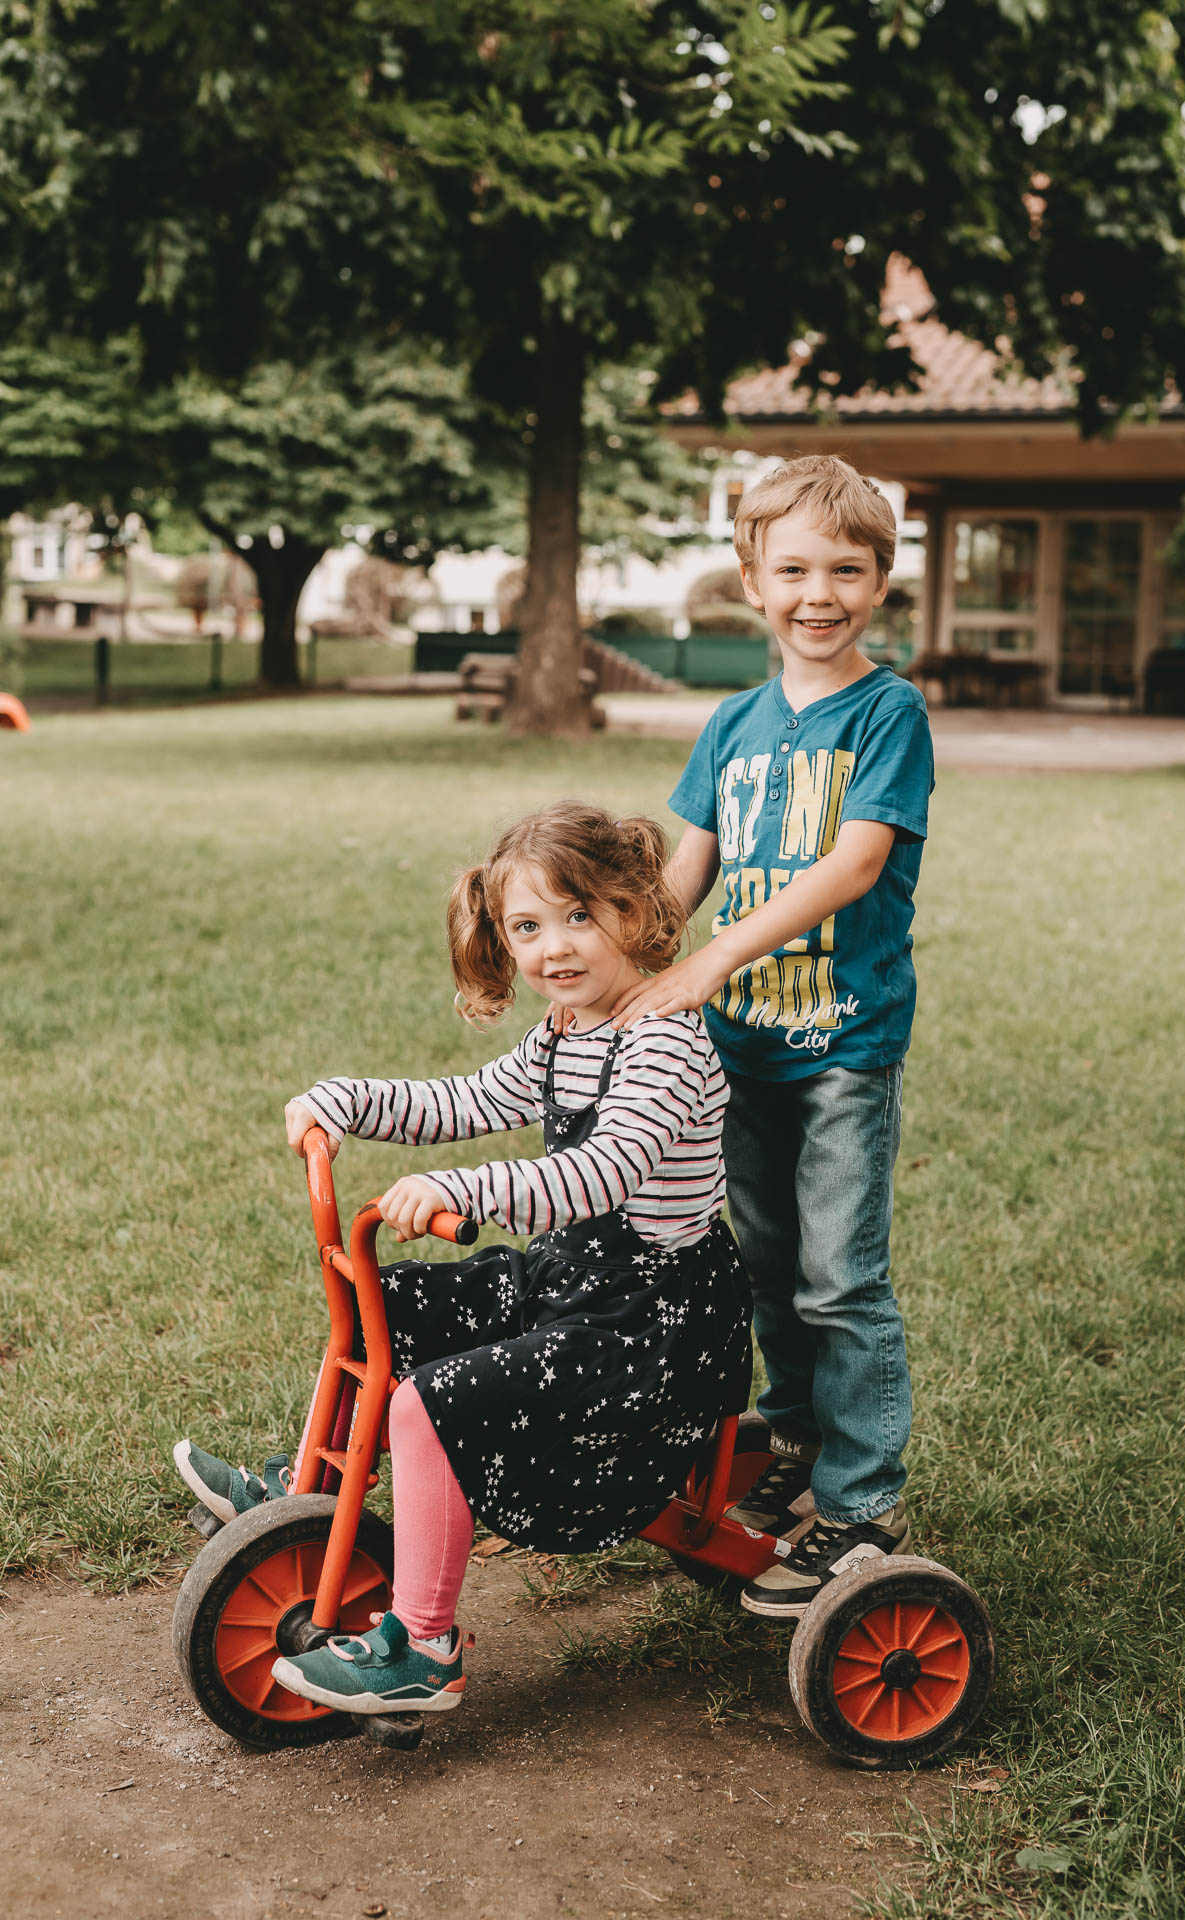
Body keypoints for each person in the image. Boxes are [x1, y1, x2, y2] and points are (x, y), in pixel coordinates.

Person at [173, 802, 751, 1717]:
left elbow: (604, 1173)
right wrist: (346, 1100)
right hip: (571, 1282)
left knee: (431, 1401)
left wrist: (467, 1193)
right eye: (528, 927)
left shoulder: (664, 1042)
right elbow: (466, 1099)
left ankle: (425, 1644)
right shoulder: (565, 1028)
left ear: (635, 915)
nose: (554, 948)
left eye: (579, 915)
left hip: (648, 1326)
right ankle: (313, 1492)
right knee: (388, 1301)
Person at [613, 455, 934, 1622]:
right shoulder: (733, 724)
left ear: (878, 581)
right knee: (763, 1266)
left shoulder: (884, 712)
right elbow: (678, 874)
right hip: (740, 1054)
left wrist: (710, 960)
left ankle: (858, 1508)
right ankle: (794, 1447)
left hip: (843, 1047)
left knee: (840, 1278)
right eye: (791, 568)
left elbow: (854, 863)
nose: (818, 593)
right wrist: (623, 961)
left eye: (844, 570)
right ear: (750, 579)